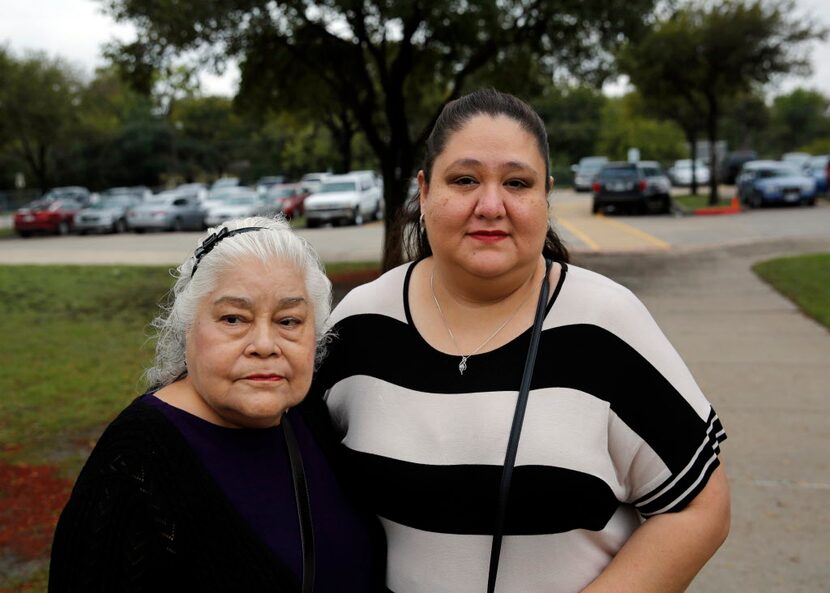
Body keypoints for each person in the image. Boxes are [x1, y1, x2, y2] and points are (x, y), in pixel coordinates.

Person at [312, 89, 730, 593]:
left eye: (517, 183)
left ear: (545, 197)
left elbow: (701, 507)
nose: (491, 205)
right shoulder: (359, 323)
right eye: (464, 180)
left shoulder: (606, 325)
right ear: (423, 192)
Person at [49, 217, 386, 593]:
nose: (264, 344)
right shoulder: (135, 464)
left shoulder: (311, 419)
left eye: (289, 320)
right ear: (187, 327)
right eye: (233, 318)